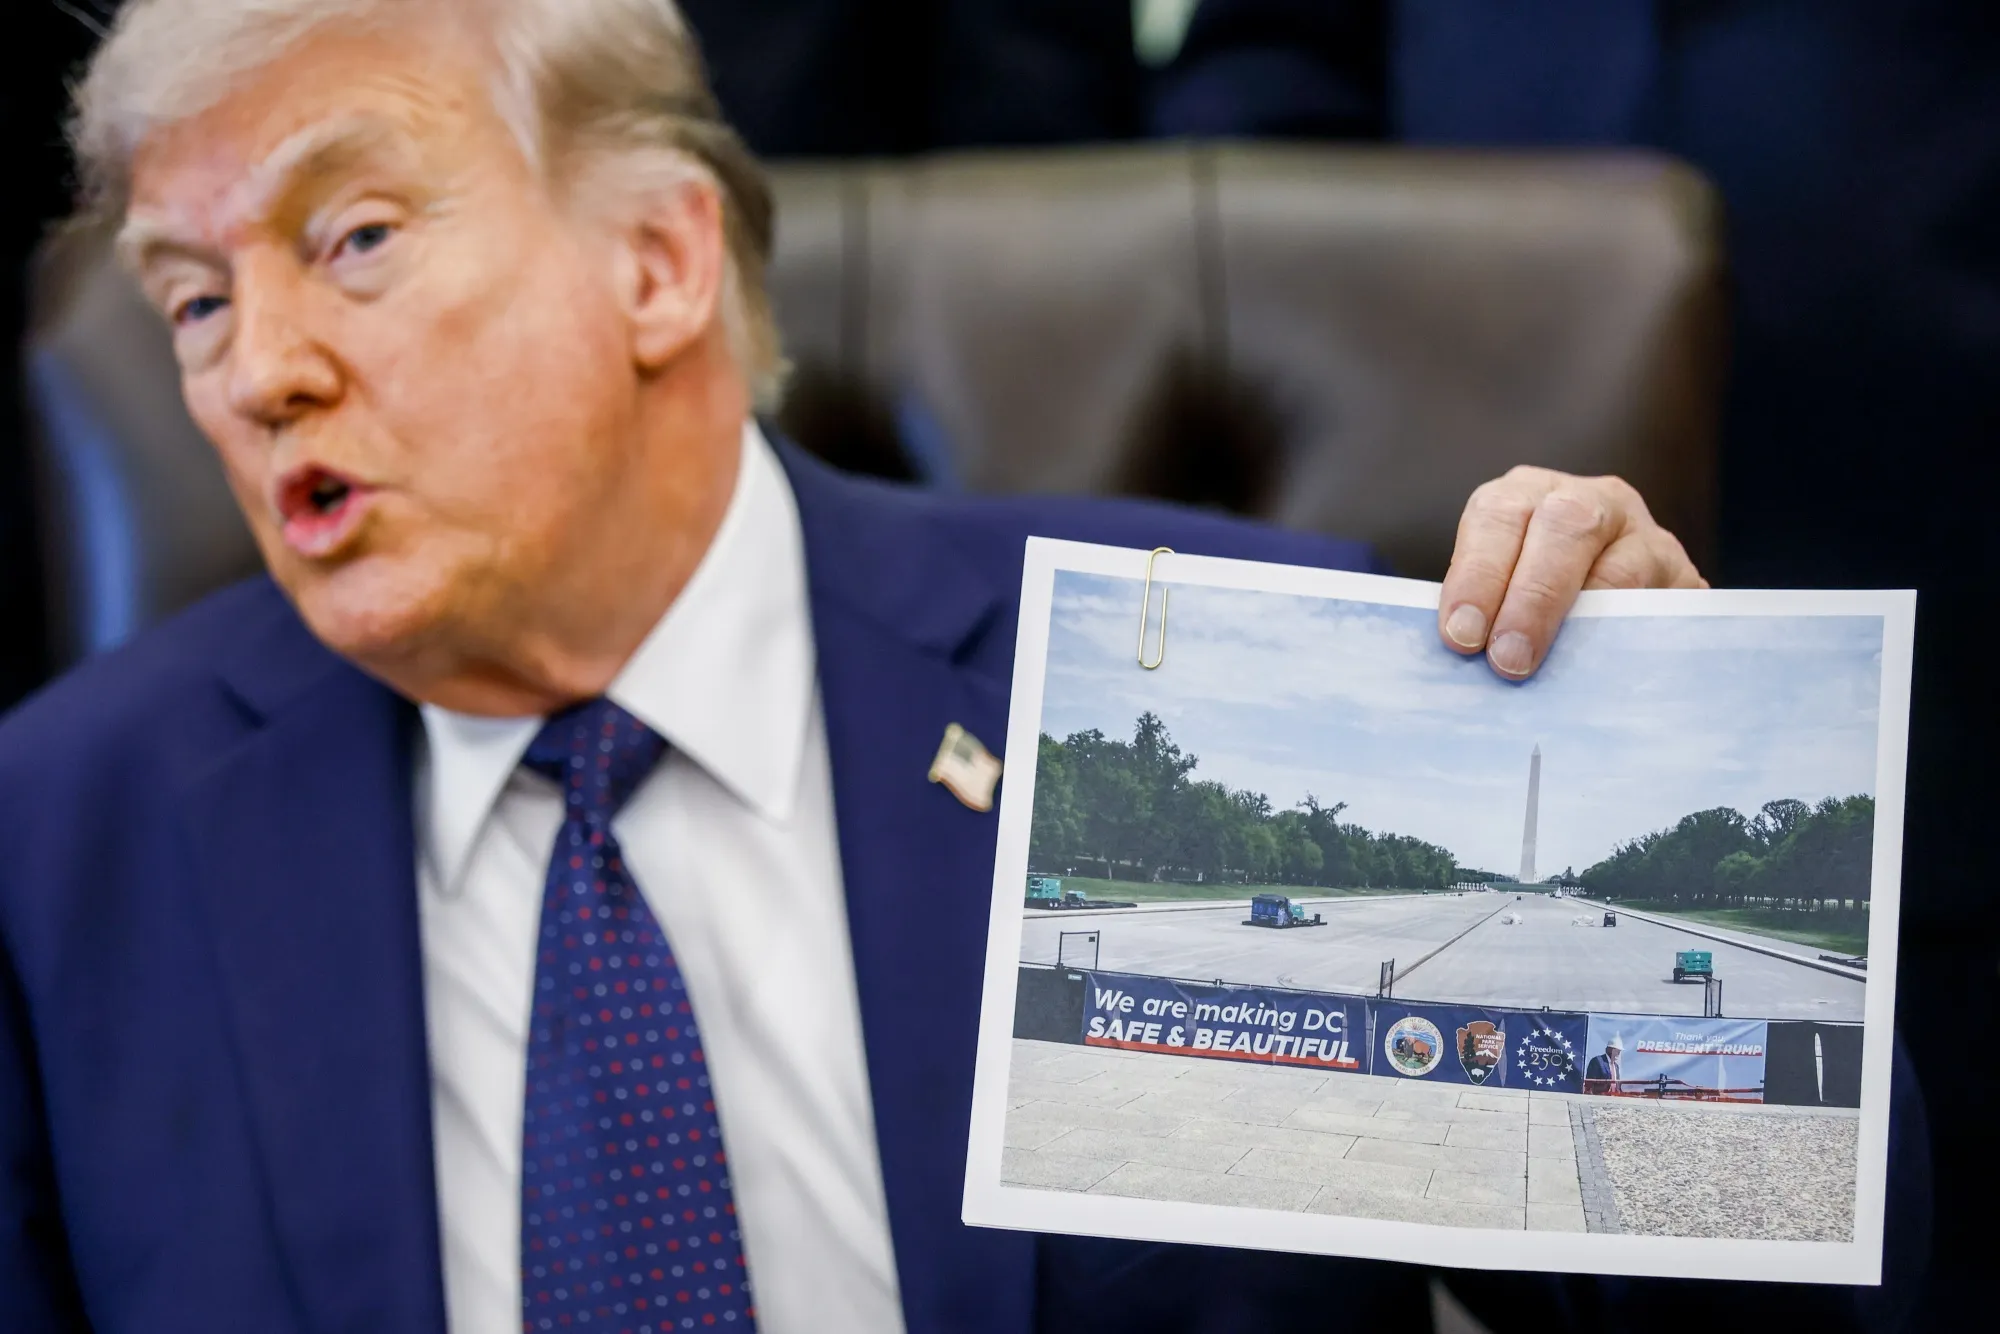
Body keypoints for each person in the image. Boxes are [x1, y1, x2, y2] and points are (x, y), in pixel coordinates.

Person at [1, 3, 1743, 1332]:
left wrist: (1645, 782)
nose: (255, 373)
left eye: (354, 237)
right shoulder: (67, 833)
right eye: (194, 299)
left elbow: (1731, 1283)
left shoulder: (1209, 695)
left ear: (659, 264)